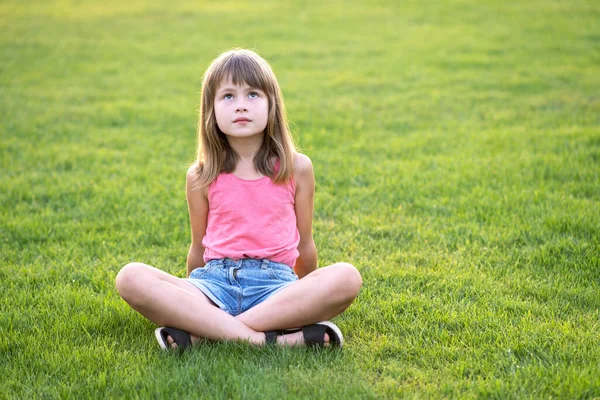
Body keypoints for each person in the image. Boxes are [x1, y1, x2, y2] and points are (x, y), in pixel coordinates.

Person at [115, 48, 362, 350]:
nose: (241, 106)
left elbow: (305, 245)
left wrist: (305, 296)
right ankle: (267, 339)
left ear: (272, 105)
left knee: (347, 277)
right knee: (130, 277)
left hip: (275, 286)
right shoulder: (201, 175)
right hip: (214, 283)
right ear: (211, 110)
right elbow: (197, 248)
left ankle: (206, 329)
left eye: (253, 95)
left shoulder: (297, 168)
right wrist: (193, 298)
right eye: (228, 96)